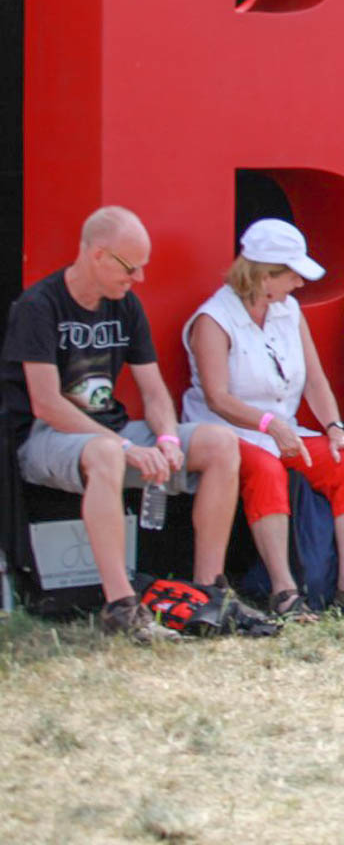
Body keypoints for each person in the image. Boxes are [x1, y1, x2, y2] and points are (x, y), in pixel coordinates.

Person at [1, 207, 242, 641]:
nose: (140, 278)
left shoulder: (125, 304)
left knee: (220, 443)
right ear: (98, 255)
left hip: (110, 430)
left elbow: (153, 391)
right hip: (45, 437)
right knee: (108, 452)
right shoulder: (39, 306)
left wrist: (167, 438)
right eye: (131, 268)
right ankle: (122, 607)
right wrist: (129, 448)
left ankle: (207, 592)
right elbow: (46, 404)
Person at [181, 219, 344, 620]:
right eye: (292, 274)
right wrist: (269, 424)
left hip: (283, 430)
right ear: (263, 276)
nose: (299, 283)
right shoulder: (213, 319)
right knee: (266, 469)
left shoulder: (287, 310)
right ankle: (284, 590)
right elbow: (218, 398)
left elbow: (315, 381)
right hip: (229, 434)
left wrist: (336, 430)